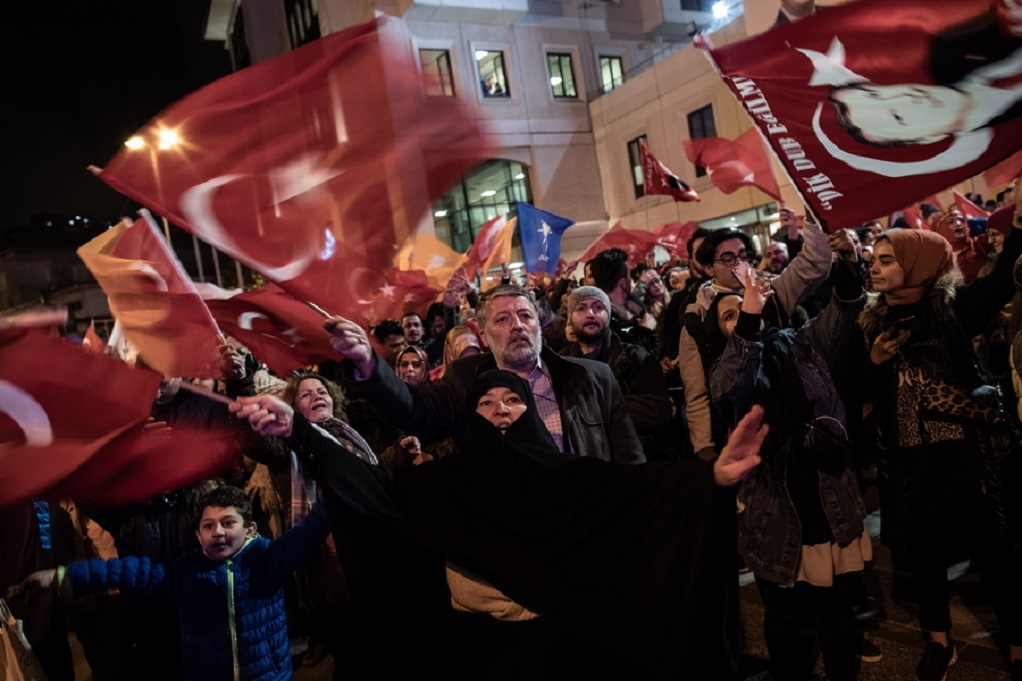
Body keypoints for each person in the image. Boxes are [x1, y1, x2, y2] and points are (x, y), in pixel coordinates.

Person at [230, 369, 768, 680]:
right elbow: (373, 487)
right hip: (481, 653)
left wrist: (710, 478)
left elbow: (647, 495)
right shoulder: (443, 482)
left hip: (568, 650)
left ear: (531, 413)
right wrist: (301, 433)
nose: (501, 410)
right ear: (471, 419)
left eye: (513, 400)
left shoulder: (572, 476)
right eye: (486, 403)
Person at [857, 204, 1022, 681]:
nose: (876, 266)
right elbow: (856, 392)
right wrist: (872, 360)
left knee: (995, 557)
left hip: (966, 460)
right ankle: (938, 645)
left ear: (917, 263)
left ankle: (1016, 643)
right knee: (925, 560)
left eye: (887, 259)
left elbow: (1004, 279)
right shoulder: (871, 322)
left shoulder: (951, 308)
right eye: (875, 259)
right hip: (910, 465)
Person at [710, 253, 872, 681]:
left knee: (836, 614)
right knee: (785, 622)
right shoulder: (724, 369)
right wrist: (747, 313)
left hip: (828, 497)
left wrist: (845, 262)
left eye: (747, 302)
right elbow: (731, 386)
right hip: (776, 515)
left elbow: (846, 311)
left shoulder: (802, 343)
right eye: (729, 314)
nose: (744, 310)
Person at [8, 485, 331, 681]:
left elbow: (311, 530)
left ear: (250, 529)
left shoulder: (269, 558)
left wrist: (339, 482)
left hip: (268, 674)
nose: (218, 531)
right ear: (198, 535)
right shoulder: (186, 571)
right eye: (209, 525)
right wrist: (61, 577)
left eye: (228, 523)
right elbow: (125, 571)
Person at [327, 284, 645, 464]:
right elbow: (412, 408)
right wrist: (367, 361)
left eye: (524, 316)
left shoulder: (593, 377)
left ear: (540, 325)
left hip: (593, 516)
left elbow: (630, 459)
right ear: (485, 336)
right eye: (503, 320)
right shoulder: (466, 381)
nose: (517, 325)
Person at [559, 286, 674, 461]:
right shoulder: (561, 363)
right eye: (581, 308)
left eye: (599, 307)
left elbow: (660, 411)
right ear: (570, 318)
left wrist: (596, 405)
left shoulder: (635, 358)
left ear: (609, 314)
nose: (590, 314)